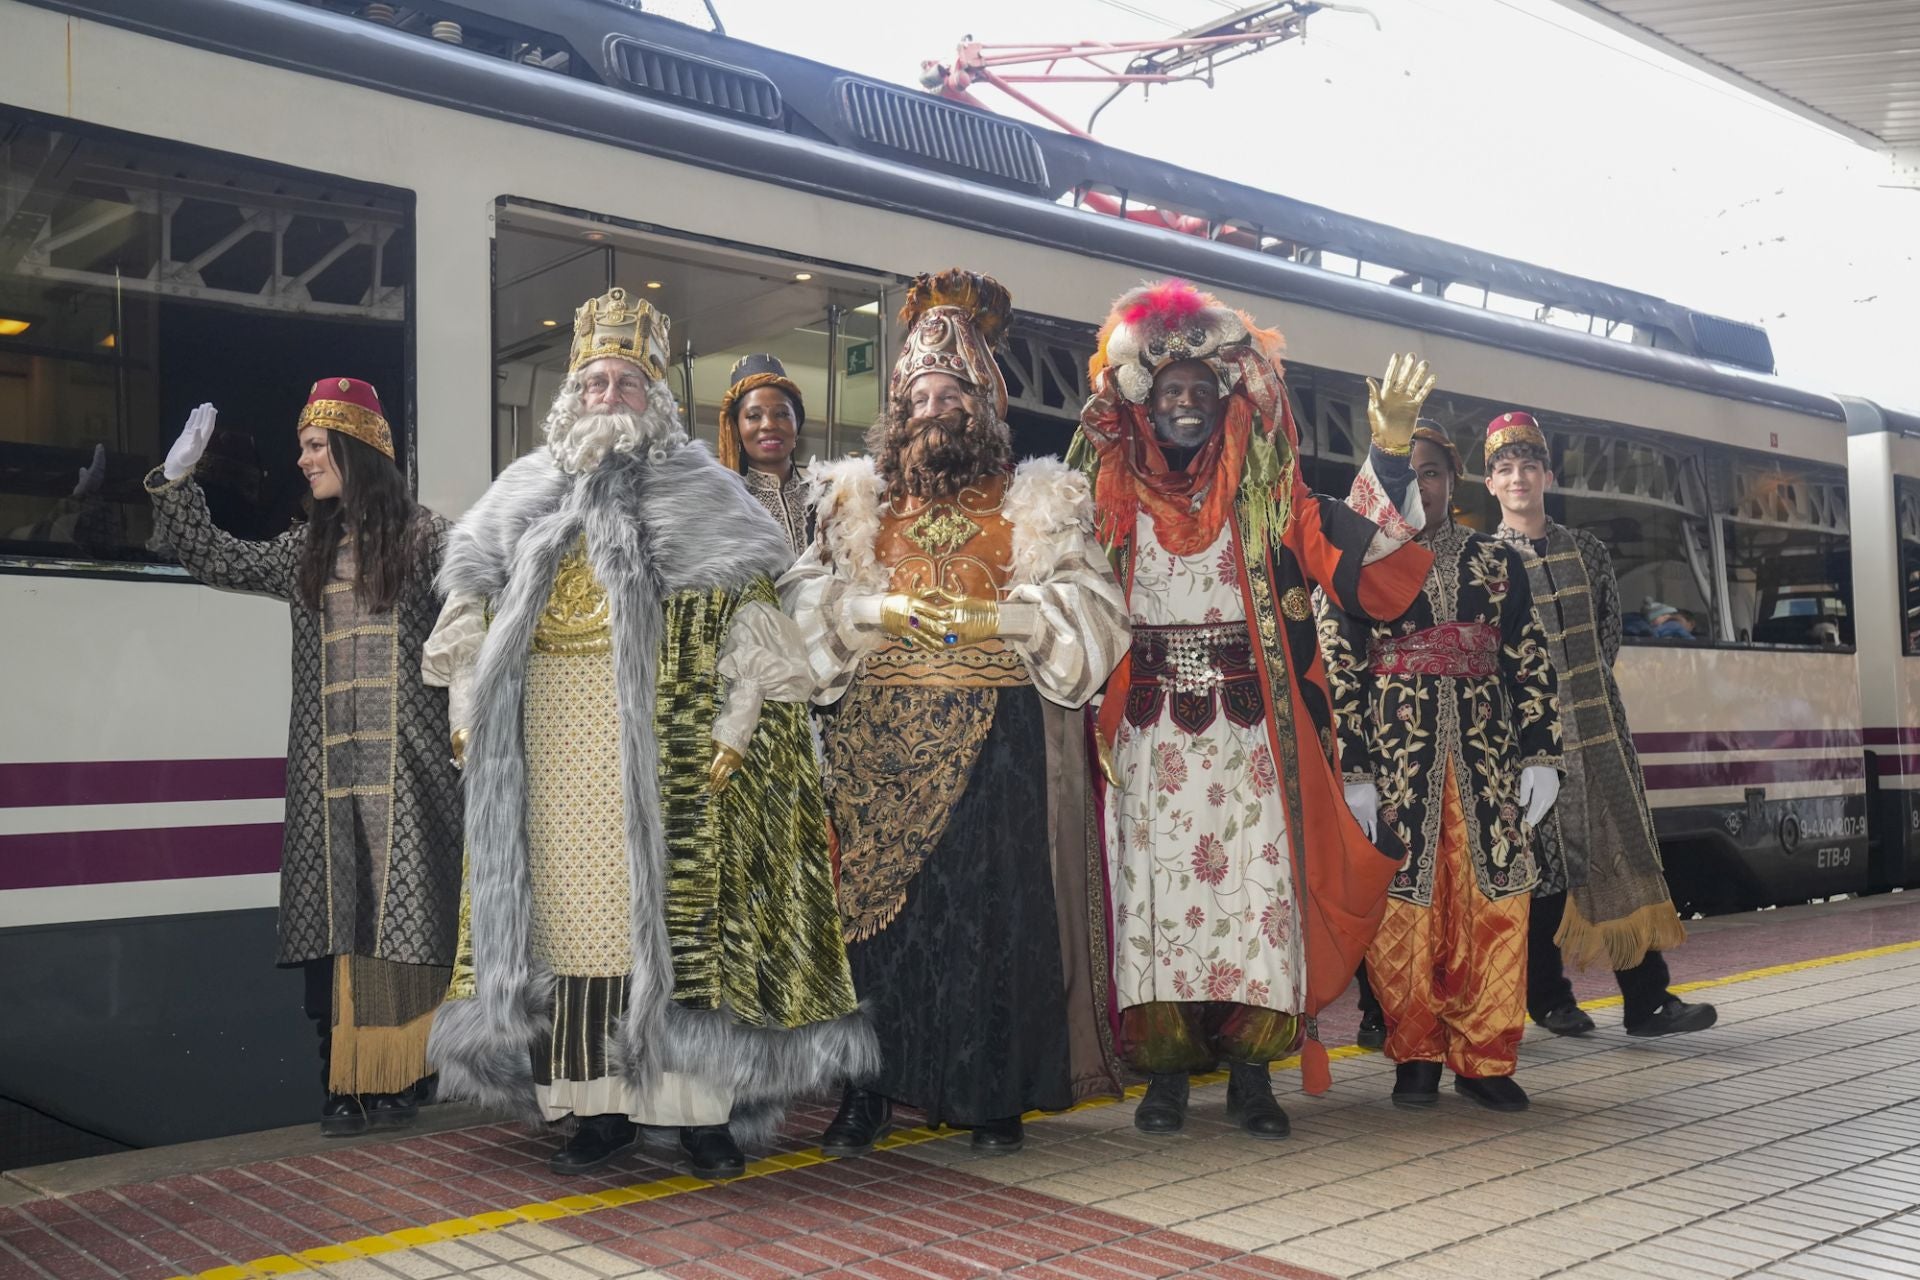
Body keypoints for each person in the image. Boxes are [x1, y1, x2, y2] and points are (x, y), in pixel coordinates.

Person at [422, 287, 874, 1180]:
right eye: (594, 381)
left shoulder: (708, 495)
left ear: (656, 397)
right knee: (572, 932)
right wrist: (467, 715)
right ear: (570, 395)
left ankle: (695, 1114)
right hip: (551, 746)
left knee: (677, 930)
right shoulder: (520, 493)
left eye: (626, 382)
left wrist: (737, 728)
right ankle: (596, 1111)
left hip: (668, 749)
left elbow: (755, 624)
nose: (607, 396)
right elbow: (466, 612)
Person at [1069, 280, 1437, 1136]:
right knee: (1150, 905)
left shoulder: (1270, 503)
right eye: (1170, 393)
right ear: (1145, 408)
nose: (1188, 405)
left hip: (1249, 741)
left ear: (1227, 404)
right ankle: (1164, 1077)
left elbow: (1363, 554)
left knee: (1255, 901)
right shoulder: (1108, 510)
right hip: (1149, 741)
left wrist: (1388, 449)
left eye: (1203, 391)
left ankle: (1250, 1073)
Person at [783, 269, 1127, 1156]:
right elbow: (798, 609)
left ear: (983, 405)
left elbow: (1095, 611)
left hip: (993, 741)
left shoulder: (1035, 502)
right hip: (872, 743)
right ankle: (865, 1093)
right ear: (897, 408)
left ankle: (991, 1094)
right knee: (876, 933)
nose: (935, 406)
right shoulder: (856, 503)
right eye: (919, 393)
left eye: (952, 393)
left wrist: (1001, 618)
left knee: (987, 922)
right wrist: (874, 612)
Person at [145, 380, 461, 1136]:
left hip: (411, 782)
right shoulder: (306, 548)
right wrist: (175, 484)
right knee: (337, 927)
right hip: (331, 783)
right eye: (304, 446)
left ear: (357, 451)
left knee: (408, 926)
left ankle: (401, 1077)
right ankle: (342, 1082)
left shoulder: (431, 542)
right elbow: (215, 558)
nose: (302, 460)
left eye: (316, 447)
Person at [1323, 423, 1562, 1112]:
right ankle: (1416, 1053)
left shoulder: (1497, 562)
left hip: (1487, 764)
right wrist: (1356, 769)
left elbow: (1529, 660)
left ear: (1453, 480)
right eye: (1407, 473)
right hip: (1401, 765)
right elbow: (1339, 667)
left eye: (1431, 472)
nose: (1419, 484)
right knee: (1404, 910)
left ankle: (1485, 1058)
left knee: (1495, 903)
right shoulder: (1361, 564)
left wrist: (1543, 752)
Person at [1484, 411, 1715, 1038]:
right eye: (1505, 469)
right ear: (1490, 484)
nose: (1518, 478)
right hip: (1524, 747)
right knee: (1540, 872)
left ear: (1548, 475)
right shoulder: (1484, 561)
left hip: (1600, 734)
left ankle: (1647, 1001)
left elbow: (1608, 631)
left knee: (1620, 856)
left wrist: (1583, 698)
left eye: (1529, 466)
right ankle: (1547, 997)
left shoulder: (1585, 549)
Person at [717, 353, 810, 557]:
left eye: (781, 414)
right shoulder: (723, 507)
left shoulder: (826, 499)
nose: (769, 425)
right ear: (736, 429)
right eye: (754, 416)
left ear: (798, 423)